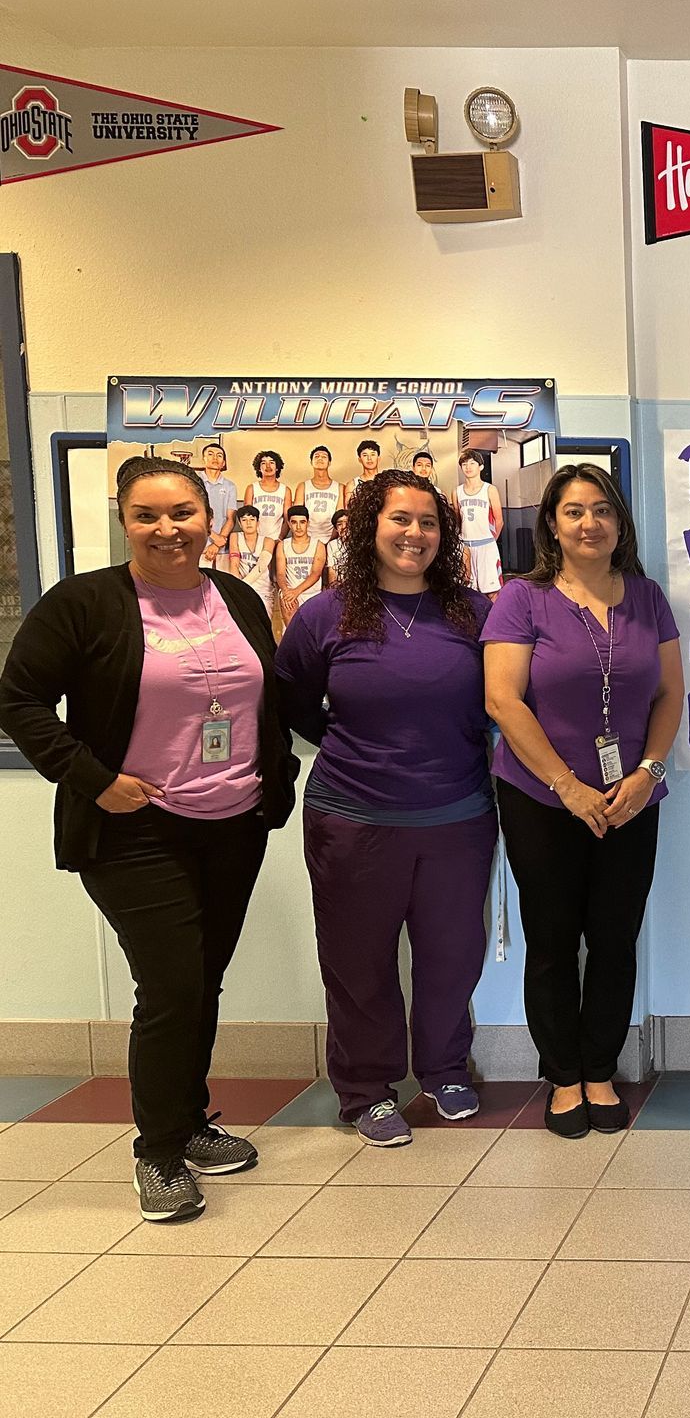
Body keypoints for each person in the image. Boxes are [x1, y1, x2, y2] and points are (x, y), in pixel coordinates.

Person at [0, 456, 297, 1222]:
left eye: (182, 513)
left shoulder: (236, 596)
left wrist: (278, 777)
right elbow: (18, 698)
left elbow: (266, 697)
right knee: (170, 987)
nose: (167, 529)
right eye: (147, 515)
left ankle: (189, 1122)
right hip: (134, 829)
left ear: (210, 518)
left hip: (232, 825)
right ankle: (158, 1153)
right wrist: (92, 778)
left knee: (201, 981)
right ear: (125, 521)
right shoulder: (85, 603)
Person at [275, 470, 497, 1147]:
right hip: (353, 819)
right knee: (358, 960)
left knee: (452, 954)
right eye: (400, 519)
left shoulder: (474, 613)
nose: (414, 534)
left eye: (429, 522)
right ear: (369, 526)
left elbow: (503, 700)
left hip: (457, 816)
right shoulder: (325, 614)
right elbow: (291, 700)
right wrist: (354, 748)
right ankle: (366, 1090)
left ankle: (444, 1069)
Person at [484, 463, 683, 1137]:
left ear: (620, 522)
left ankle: (601, 1069)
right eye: (574, 511)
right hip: (542, 800)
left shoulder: (647, 598)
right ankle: (563, 1076)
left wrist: (648, 773)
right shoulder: (523, 598)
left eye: (602, 509)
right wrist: (566, 786)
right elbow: (502, 700)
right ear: (552, 524)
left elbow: (670, 694)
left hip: (630, 800)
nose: (589, 522)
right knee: (551, 940)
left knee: (615, 938)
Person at [455, 451, 505, 595]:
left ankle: (495, 612)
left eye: (472, 463)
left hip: (486, 545)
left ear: (481, 466)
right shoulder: (457, 492)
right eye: (464, 464)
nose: (468, 467)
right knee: (467, 591)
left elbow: (499, 521)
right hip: (466, 546)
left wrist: (490, 541)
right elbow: (458, 521)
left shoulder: (490, 489)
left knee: (492, 592)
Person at [274, 504, 327, 620]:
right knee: (287, 601)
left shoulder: (318, 545)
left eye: (302, 522)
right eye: (294, 522)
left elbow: (316, 574)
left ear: (308, 523)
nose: (298, 527)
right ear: (289, 524)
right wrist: (286, 591)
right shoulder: (282, 545)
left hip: (312, 594)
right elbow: (280, 574)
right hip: (290, 594)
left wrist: (296, 592)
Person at [225, 504, 275, 608]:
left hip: (262, 590)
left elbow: (261, 566)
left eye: (252, 519)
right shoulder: (235, 536)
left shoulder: (268, 541)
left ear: (258, 522)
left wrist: (243, 585)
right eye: (244, 520)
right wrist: (237, 587)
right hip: (241, 588)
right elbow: (234, 564)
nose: (248, 523)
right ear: (239, 523)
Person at [200, 443, 238, 568]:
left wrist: (217, 543)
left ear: (224, 463)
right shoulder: (194, 482)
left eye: (219, 455)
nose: (215, 458)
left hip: (222, 548)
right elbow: (192, 515)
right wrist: (214, 537)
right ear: (204, 459)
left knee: (222, 580)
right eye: (210, 454)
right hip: (199, 547)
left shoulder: (230, 486)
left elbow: (231, 518)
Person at [243, 450, 289, 541]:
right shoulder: (251, 488)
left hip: (276, 539)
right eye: (263, 463)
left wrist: (280, 538)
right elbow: (246, 516)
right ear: (259, 468)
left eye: (272, 462)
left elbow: (287, 519)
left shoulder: (285, 490)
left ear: (277, 467)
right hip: (255, 539)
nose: (268, 466)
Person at [297, 445, 343, 536]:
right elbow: (297, 515)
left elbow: (340, 517)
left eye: (324, 457)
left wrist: (331, 540)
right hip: (308, 536)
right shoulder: (303, 486)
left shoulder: (340, 487)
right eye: (316, 456)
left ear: (329, 462)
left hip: (332, 537)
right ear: (311, 462)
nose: (320, 459)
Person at [325, 508, 350, 588]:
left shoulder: (360, 543)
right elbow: (332, 571)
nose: (344, 527)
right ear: (336, 528)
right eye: (339, 524)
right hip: (339, 587)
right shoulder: (332, 545)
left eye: (347, 523)